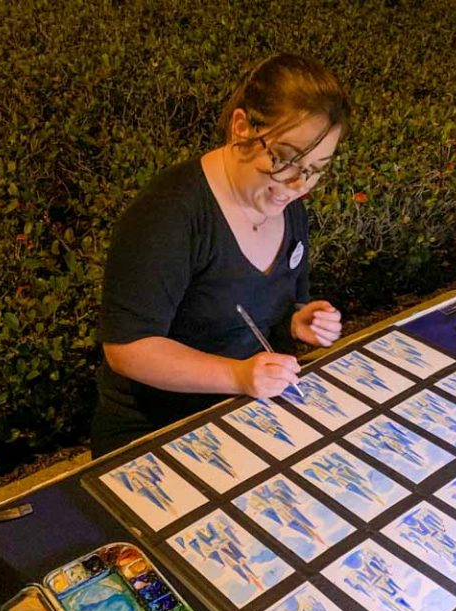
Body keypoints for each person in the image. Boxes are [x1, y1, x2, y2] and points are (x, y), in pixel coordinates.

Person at [90, 53, 350, 456]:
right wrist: (238, 375)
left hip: (247, 414)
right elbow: (128, 349)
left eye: (316, 169)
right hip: (157, 435)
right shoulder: (169, 214)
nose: (298, 183)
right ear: (241, 127)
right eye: (283, 158)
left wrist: (300, 320)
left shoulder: (285, 202)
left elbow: (281, 302)